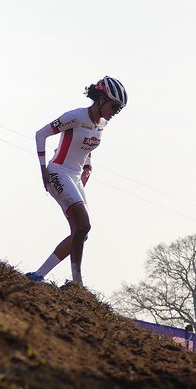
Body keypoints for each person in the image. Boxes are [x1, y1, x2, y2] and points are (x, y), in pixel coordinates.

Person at [26, 76, 128, 287]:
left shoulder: (103, 123)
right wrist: (43, 168)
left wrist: (88, 167)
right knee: (84, 224)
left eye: (119, 110)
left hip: (75, 176)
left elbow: (86, 147)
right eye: (114, 107)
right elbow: (40, 134)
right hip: (58, 171)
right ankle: (77, 282)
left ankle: (38, 275)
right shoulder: (75, 116)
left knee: (82, 232)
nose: (114, 113)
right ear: (101, 98)